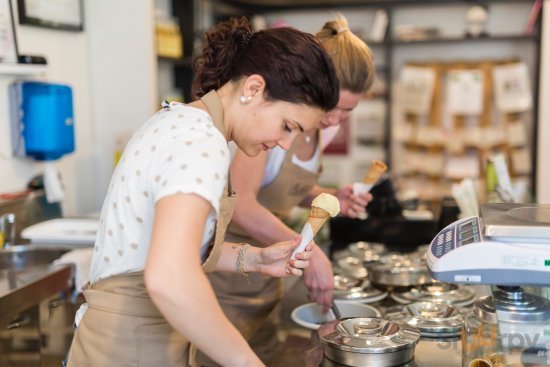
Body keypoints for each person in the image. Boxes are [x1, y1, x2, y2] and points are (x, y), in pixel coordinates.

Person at [65, 16, 339, 367]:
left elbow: (163, 247)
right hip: (129, 345)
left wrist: (254, 257)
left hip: (139, 338)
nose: (285, 144)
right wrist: (247, 363)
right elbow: (169, 276)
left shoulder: (185, 125)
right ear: (253, 89)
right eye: (287, 126)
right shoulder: (200, 142)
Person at [204, 16, 376, 344]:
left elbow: (283, 189)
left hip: (269, 269)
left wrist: (328, 195)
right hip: (229, 279)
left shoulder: (322, 129)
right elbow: (242, 203)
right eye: (334, 106)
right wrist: (308, 250)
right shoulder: (272, 126)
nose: (335, 119)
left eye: (348, 112)